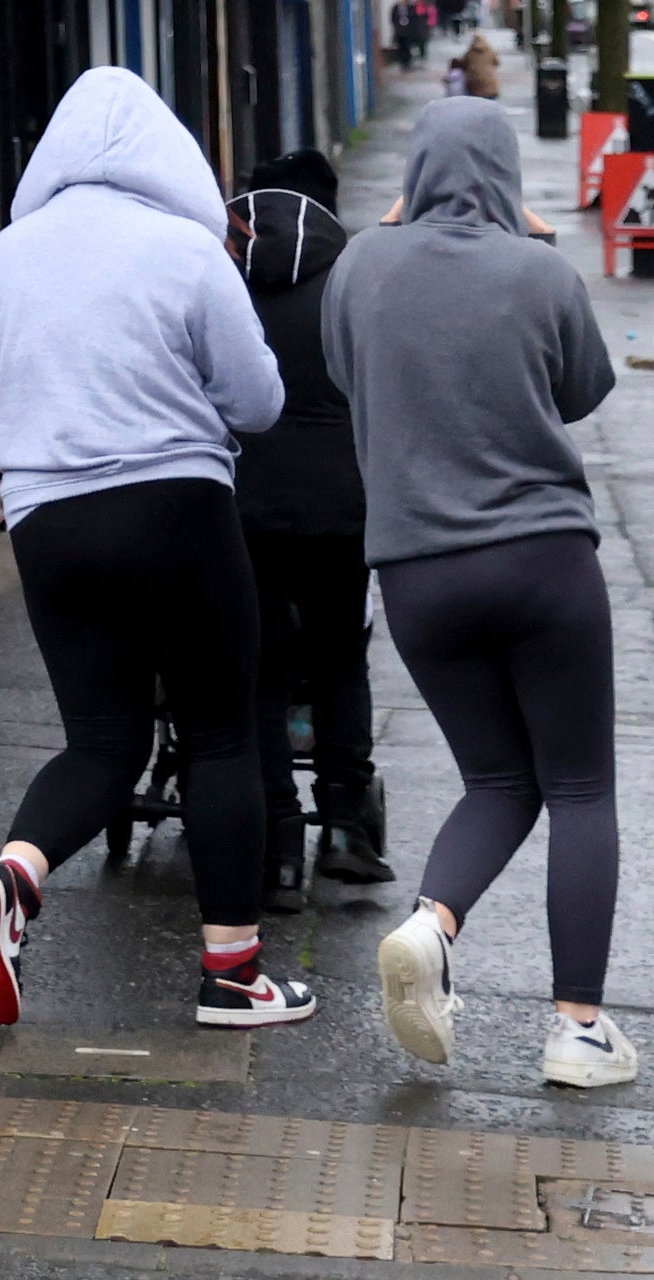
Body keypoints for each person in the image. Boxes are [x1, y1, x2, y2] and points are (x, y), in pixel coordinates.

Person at [0, 68, 308, 1033]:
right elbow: (260, 403)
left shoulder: (8, 254)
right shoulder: (187, 251)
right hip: (176, 510)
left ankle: (14, 874)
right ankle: (234, 979)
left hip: (45, 522)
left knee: (104, 740)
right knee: (222, 733)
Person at [329, 95, 631, 1090]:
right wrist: (528, 239)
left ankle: (431, 924)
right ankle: (578, 1031)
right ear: (507, 175)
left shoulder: (361, 267)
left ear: (412, 172)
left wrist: (393, 228)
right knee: (578, 786)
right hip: (544, 561)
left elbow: (347, 370)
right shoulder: (541, 271)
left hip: (417, 573)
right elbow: (582, 386)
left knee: (498, 779)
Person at [232, 152, 387, 891]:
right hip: (343, 510)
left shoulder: (225, 277)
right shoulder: (359, 282)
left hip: (248, 507)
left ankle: (279, 843)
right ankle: (348, 829)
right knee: (337, 660)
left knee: (259, 669)